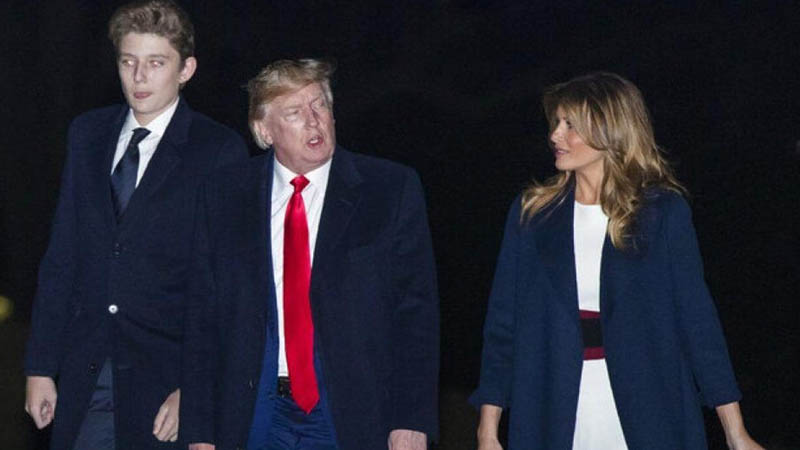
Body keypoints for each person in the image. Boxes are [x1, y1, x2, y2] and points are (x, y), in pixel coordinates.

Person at [471, 72, 763, 450]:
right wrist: (487, 429)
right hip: (551, 407)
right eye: (556, 123)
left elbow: (696, 322)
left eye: (570, 125)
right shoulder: (533, 215)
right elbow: (503, 324)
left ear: (609, 130)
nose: (555, 135)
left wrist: (736, 432)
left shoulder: (662, 213)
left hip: (650, 406)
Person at [180, 58, 439, 450]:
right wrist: (199, 430)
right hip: (254, 411)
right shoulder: (224, 195)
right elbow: (202, 315)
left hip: (350, 411)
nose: (314, 121)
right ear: (264, 130)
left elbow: (415, 314)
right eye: (295, 113)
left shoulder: (388, 189)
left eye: (320, 105)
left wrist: (411, 419)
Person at [23, 1, 248, 449]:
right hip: (85, 370)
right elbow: (63, 254)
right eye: (129, 62)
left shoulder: (217, 150)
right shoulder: (87, 134)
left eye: (156, 63)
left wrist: (195, 389)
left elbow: (225, 284)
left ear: (186, 70)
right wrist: (40, 366)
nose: (139, 77)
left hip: (164, 381)